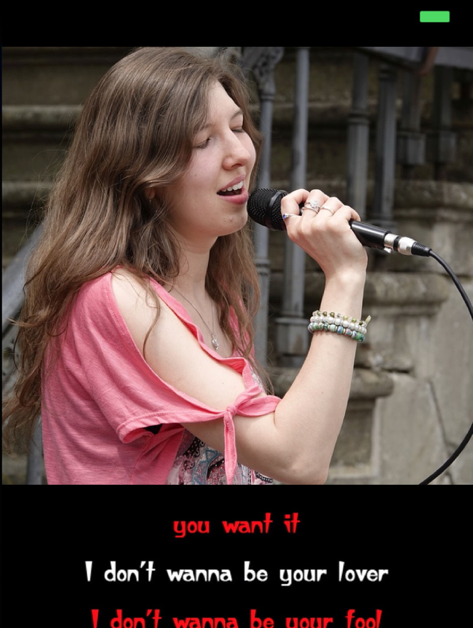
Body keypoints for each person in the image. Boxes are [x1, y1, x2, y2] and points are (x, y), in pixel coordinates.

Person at [3, 47, 369, 485]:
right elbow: (296, 459)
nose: (240, 154)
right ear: (145, 175)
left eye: (237, 128)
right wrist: (344, 279)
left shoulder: (217, 294)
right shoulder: (118, 298)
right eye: (203, 141)